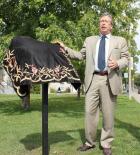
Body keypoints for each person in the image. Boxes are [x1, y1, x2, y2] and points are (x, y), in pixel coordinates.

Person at [59, 12, 129, 155]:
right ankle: (89, 142)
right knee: (89, 113)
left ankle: (106, 143)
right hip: (92, 80)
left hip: (109, 80)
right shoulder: (90, 40)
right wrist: (65, 48)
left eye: (106, 21)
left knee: (108, 114)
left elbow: (126, 59)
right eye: (101, 21)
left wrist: (117, 63)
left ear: (111, 25)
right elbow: (80, 55)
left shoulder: (120, 40)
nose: (102, 23)